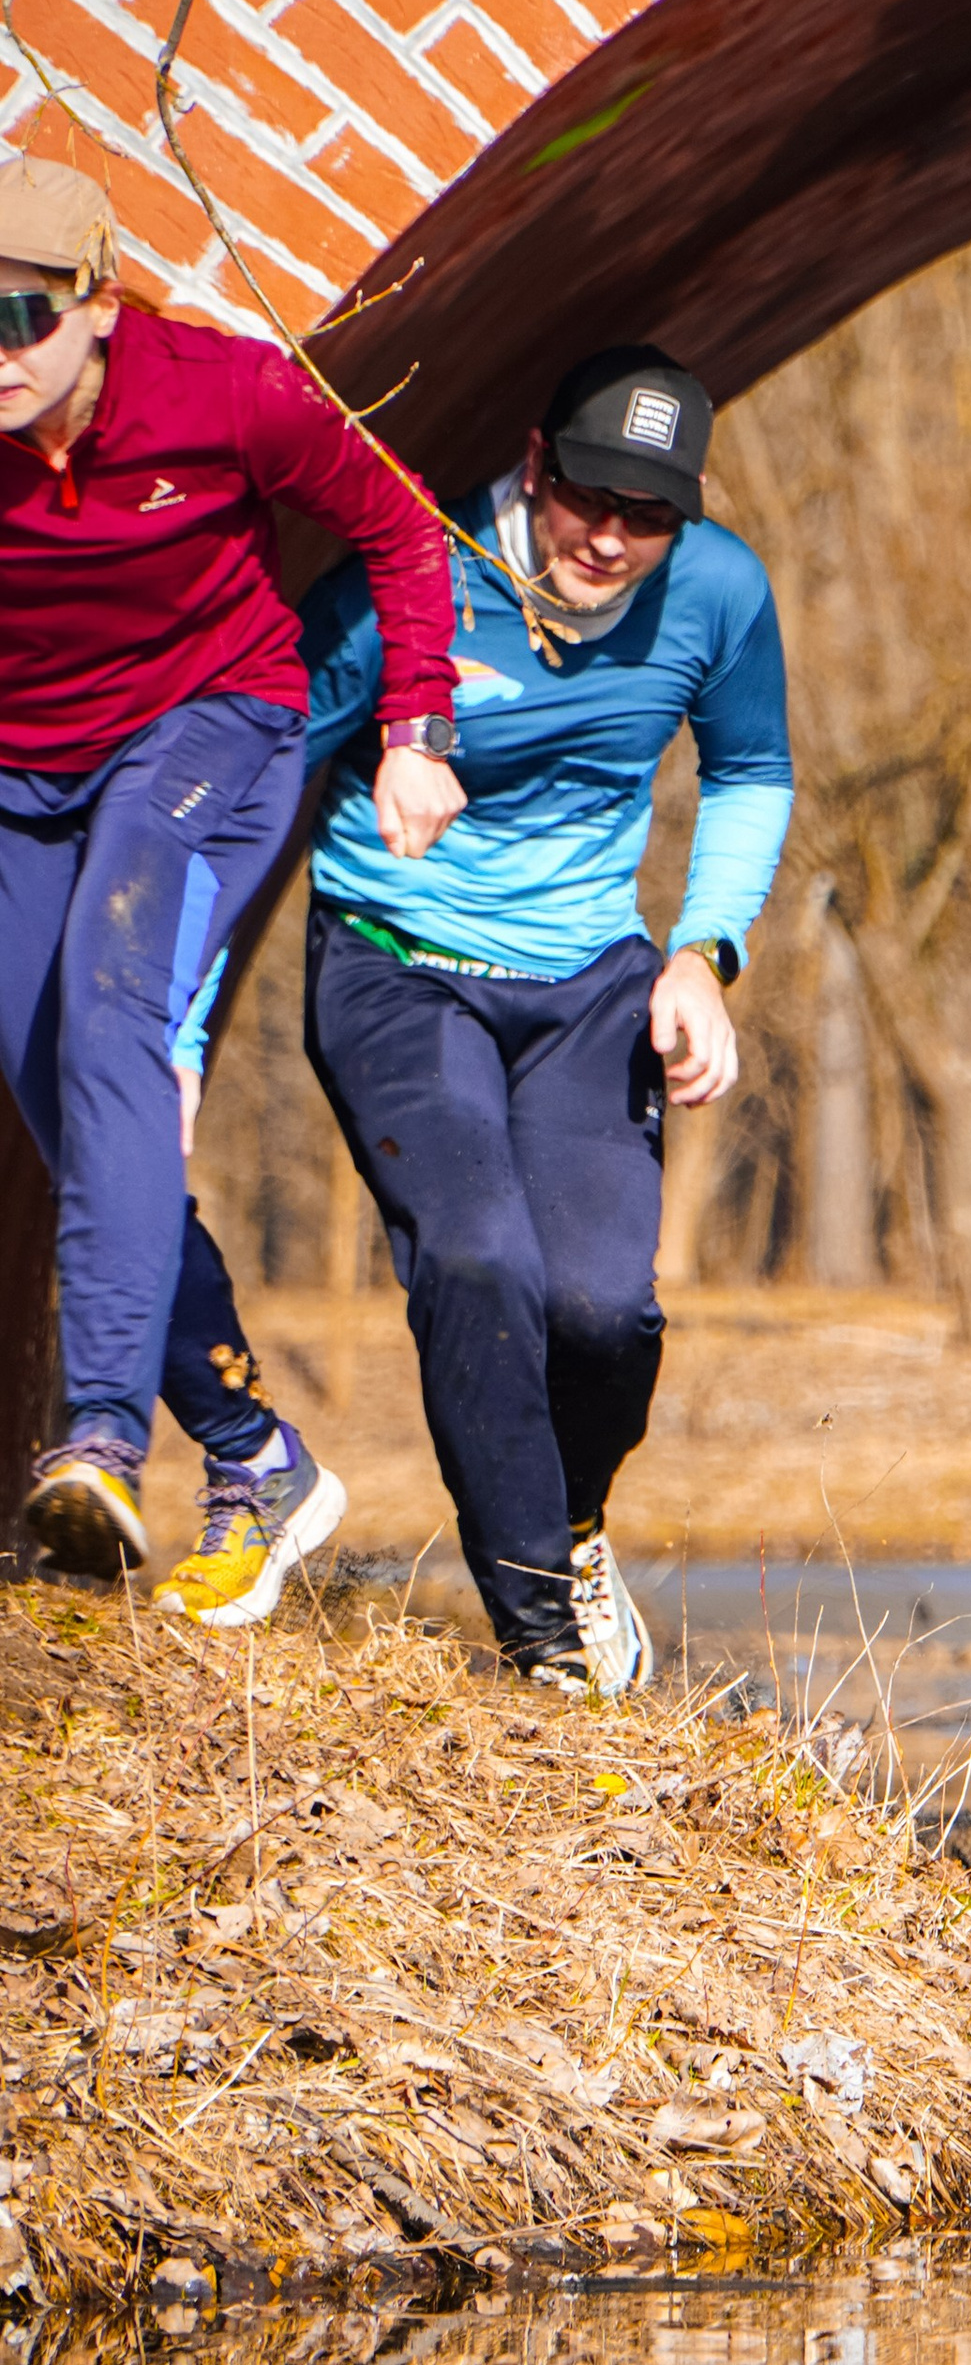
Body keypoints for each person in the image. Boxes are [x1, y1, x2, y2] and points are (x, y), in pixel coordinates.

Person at [296, 345, 794, 1692]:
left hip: (589, 981)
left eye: (649, 516)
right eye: (589, 500)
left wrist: (703, 954)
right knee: (476, 1259)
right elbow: (256, 753)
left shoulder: (716, 590)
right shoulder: (422, 580)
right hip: (401, 963)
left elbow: (750, 769)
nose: (611, 540)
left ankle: (571, 1525)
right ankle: (541, 1641)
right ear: (534, 466)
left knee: (600, 1311)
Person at [0, 151, 456, 1617]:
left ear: (97, 305)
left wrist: (415, 729)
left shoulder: (230, 394)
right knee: (71, 1113)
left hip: (208, 733)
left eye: (20, 321)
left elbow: (395, 527)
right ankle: (257, 1451)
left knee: (110, 1007)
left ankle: (101, 1446)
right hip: (20, 768)